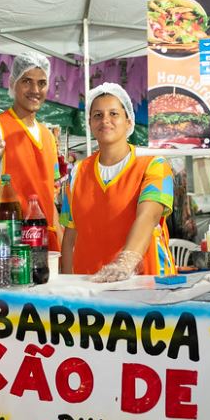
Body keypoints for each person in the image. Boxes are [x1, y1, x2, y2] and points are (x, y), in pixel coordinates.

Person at [59, 83, 176, 281]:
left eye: (113, 113)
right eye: (97, 115)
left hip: (146, 285)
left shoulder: (154, 164)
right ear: (89, 124)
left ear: (129, 122)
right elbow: (70, 234)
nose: (105, 120)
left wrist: (125, 263)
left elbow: (148, 217)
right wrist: (69, 284)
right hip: (91, 287)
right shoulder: (77, 172)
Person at [0, 51, 62, 250]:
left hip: (44, 243)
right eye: (27, 81)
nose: (35, 89)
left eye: (41, 83)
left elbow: (50, 199)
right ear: (12, 83)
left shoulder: (49, 137)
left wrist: (59, 240)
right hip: (7, 245)